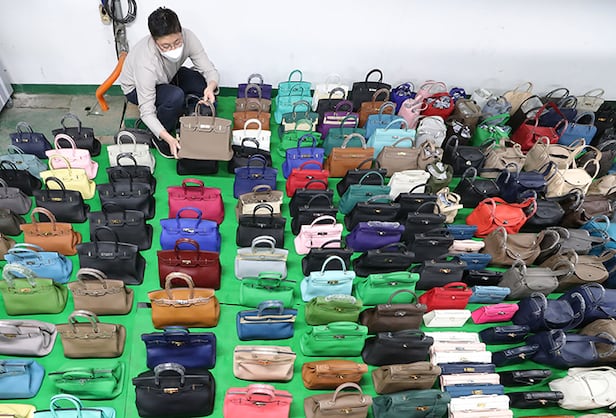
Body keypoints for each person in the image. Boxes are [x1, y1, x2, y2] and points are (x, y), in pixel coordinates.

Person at [119, 7, 219, 158]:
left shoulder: (189, 37)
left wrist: (210, 87)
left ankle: (189, 117)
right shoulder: (145, 62)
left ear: (181, 32)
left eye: (177, 42)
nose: (173, 49)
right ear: (154, 41)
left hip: (168, 76)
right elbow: (146, 111)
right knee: (175, 96)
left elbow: (210, 70)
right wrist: (168, 138)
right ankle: (159, 137)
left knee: (201, 84)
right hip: (136, 89)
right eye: (165, 46)